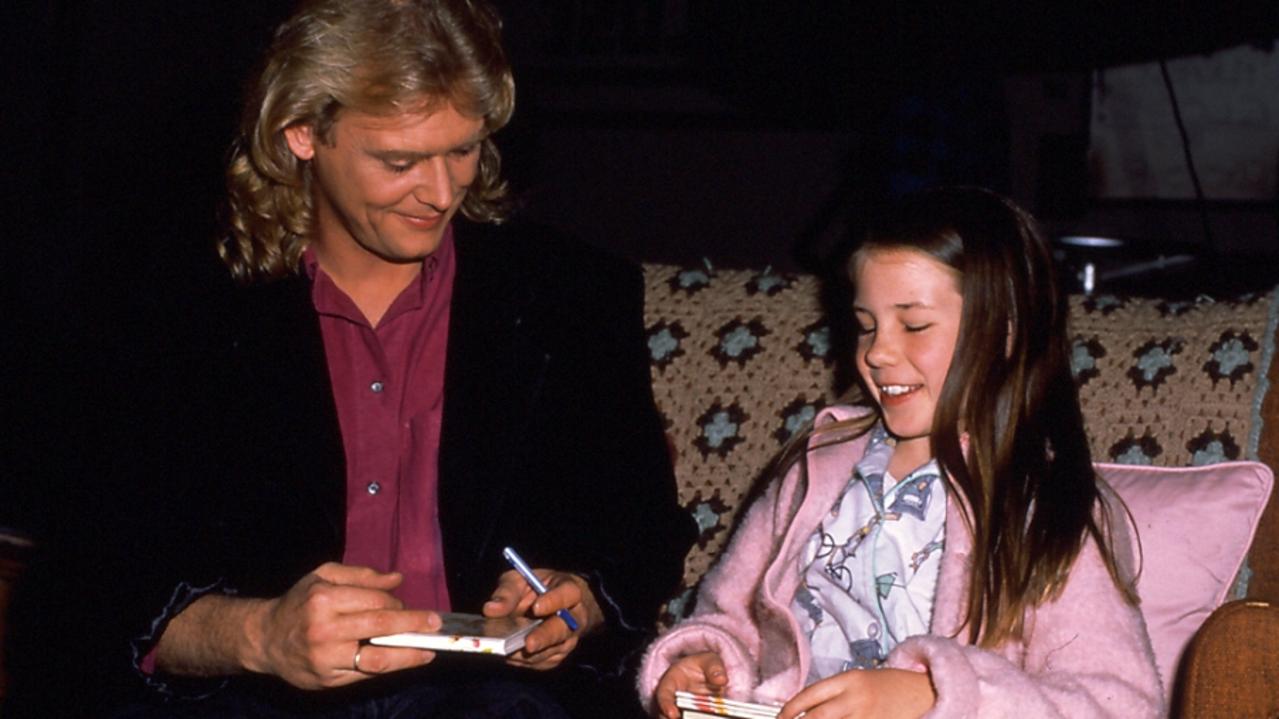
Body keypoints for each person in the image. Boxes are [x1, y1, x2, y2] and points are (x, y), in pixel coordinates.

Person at [4, 1, 694, 716]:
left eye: (463, 149)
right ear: (301, 133)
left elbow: (643, 536)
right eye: (400, 161)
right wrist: (259, 634)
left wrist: (580, 601)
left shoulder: (570, 294)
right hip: (249, 699)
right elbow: (87, 586)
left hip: (496, 699)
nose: (441, 192)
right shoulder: (170, 306)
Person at [638, 187, 1163, 718]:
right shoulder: (818, 465)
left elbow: (1120, 706)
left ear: (1003, 336)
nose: (878, 352)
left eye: (913, 326)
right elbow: (730, 617)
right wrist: (707, 661)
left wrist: (939, 698)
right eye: (866, 326)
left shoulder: (1047, 509)